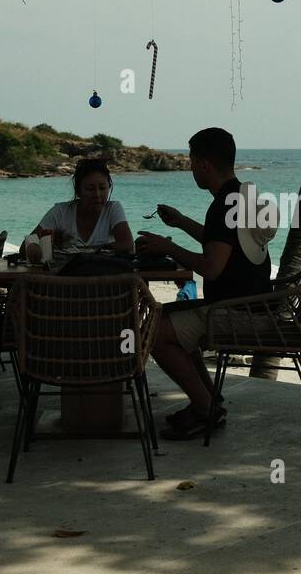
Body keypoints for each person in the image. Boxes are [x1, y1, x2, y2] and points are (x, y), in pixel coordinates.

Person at [136, 128, 274, 440]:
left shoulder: (223, 206)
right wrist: (181, 221)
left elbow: (211, 268)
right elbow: (222, 244)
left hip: (235, 312)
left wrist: (167, 248)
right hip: (253, 303)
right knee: (163, 316)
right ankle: (209, 401)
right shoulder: (241, 196)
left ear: (205, 166)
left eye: (191, 162)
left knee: (155, 333)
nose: (190, 168)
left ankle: (204, 407)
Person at [24, 159, 134, 257]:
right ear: (78, 191)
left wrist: (82, 251)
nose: (97, 194)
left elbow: (127, 244)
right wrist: (48, 243)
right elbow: (25, 247)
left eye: (102, 188)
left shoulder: (113, 209)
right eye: (90, 189)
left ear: (109, 187)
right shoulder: (60, 212)